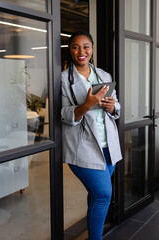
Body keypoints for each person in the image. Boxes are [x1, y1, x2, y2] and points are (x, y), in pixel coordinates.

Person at [61, 31, 122, 240]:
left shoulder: (104, 76)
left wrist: (112, 107)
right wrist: (86, 105)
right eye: (75, 47)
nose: (81, 52)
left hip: (108, 147)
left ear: (92, 49)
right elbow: (63, 114)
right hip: (83, 147)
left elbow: (116, 106)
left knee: (96, 195)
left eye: (86, 46)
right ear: (70, 50)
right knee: (104, 195)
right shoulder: (63, 79)